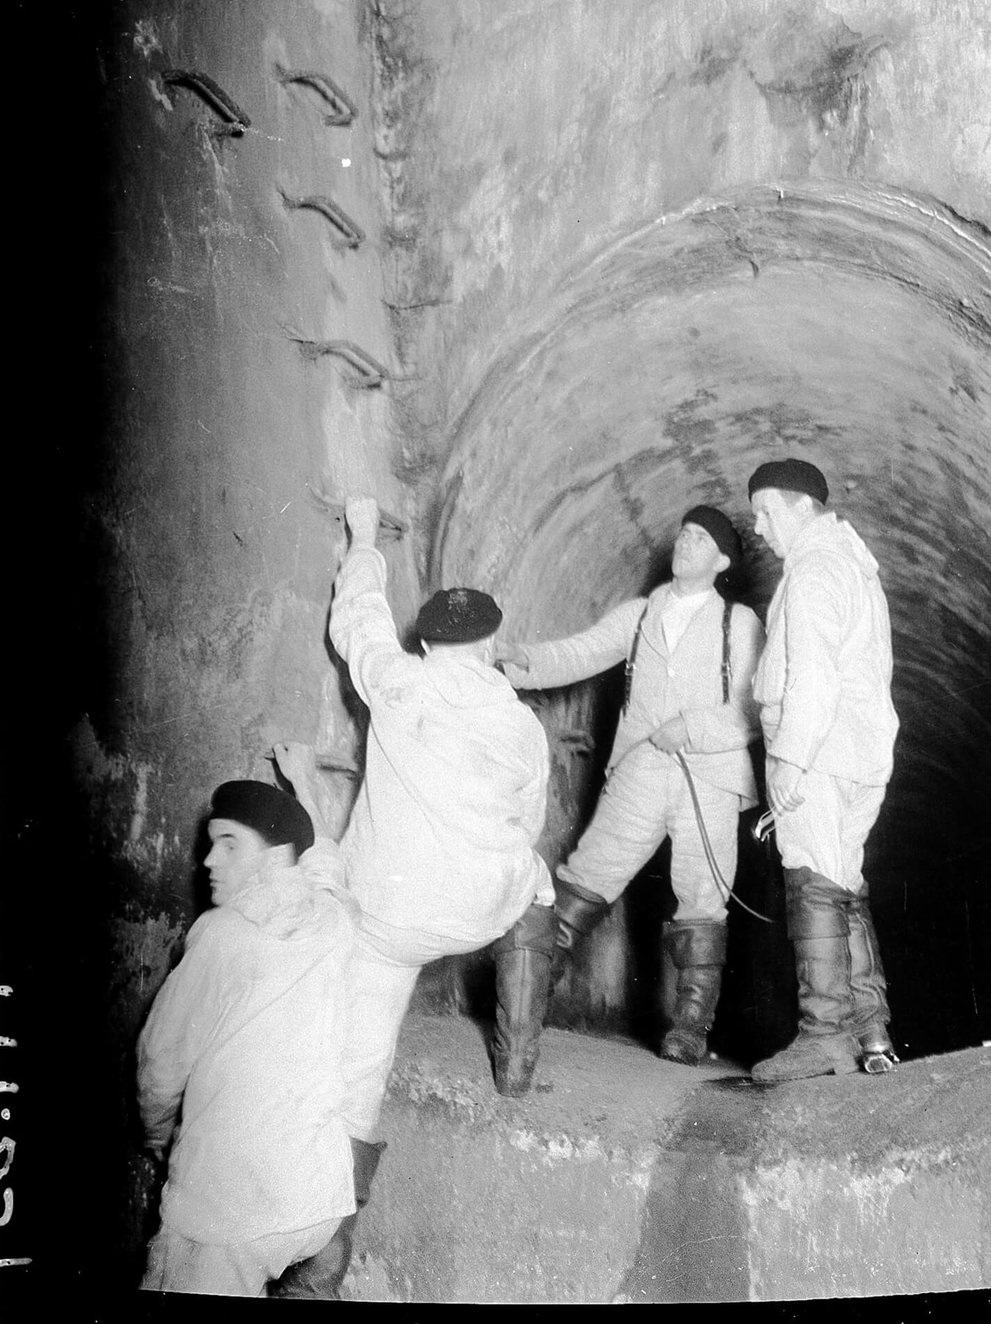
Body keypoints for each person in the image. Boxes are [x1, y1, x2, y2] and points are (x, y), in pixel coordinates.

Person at [498, 506, 765, 1066]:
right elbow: (584, 650)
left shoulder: (737, 624)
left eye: (701, 539)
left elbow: (751, 713)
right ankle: (532, 994)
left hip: (709, 778)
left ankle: (691, 1028)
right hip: (641, 769)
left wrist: (691, 727)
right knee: (587, 876)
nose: (686, 541)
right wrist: (524, 660)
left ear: (720, 561)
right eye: (684, 532)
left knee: (702, 897)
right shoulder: (642, 613)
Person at [329, 494, 555, 1135]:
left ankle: (337, 1208)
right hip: (475, 913)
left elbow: (359, 621)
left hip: (387, 916)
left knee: (362, 1061)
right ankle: (516, 1067)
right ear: (488, 644)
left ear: (425, 641)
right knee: (537, 880)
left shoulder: (398, 681)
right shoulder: (521, 725)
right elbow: (529, 824)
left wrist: (364, 535)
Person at [137, 780, 364, 1297]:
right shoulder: (335, 919)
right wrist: (306, 777)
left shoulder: (221, 935)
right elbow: (326, 865)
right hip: (319, 1200)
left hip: (231, 1209)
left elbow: (160, 1063)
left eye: (230, 844)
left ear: (278, 856)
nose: (209, 861)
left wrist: (157, 1139)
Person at [747, 458, 900, 1081]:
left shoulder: (813, 571)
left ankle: (823, 1037)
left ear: (802, 508)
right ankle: (872, 1034)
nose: (758, 527)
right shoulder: (852, 565)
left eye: (766, 511)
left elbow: (811, 678)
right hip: (859, 753)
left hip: (820, 752)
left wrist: (786, 761)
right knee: (843, 884)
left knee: (810, 878)